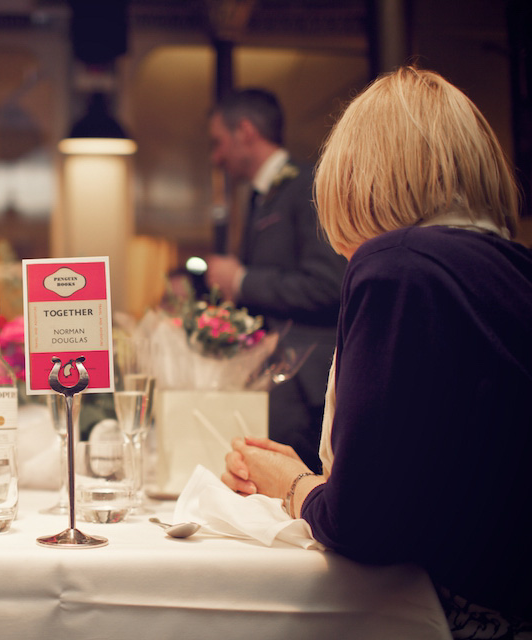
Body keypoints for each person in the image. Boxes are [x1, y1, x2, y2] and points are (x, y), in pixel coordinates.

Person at [222, 67, 532, 638]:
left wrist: (290, 482)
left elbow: (364, 525)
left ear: (358, 175)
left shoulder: (398, 265)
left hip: (464, 615)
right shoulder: (512, 266)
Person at [206, 88, 346, 472]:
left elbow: (328, 285)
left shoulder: (306, 186)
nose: (216, 157)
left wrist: (242, 281)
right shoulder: (260, 197)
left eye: (219, 143)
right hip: (276, 378)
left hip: (304, 385)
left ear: (245, 132)